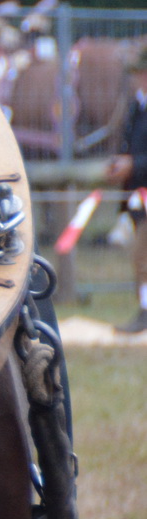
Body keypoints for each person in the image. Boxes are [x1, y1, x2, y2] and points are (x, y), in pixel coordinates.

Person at [108, 48, 147, 333]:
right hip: (139, 196)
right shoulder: (138, 106)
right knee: (140, 259)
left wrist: (132, 164)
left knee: (143, 259)